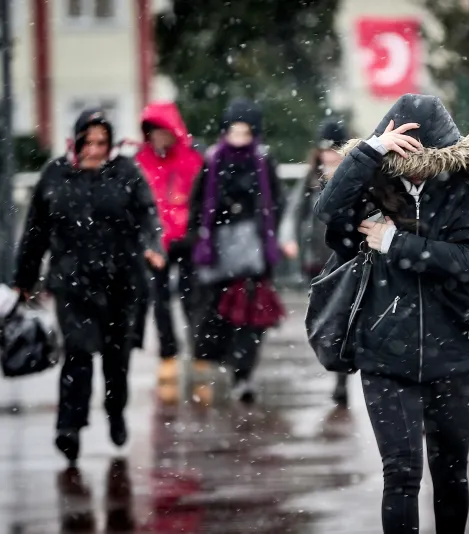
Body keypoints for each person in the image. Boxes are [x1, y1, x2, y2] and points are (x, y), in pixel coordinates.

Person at [315, 94, 469, 534]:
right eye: (406, 154)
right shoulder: (372, 186)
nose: (418, 166)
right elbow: (327, 211)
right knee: (401, 475)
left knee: (450, 474)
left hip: (456, 352)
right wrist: (370, 151)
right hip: (386, 352)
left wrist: (396, 244)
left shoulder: (465, 191)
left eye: (427, 157)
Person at [15, 109, 164, 463]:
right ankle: (69, 427)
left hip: (121, 281)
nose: (95, 149)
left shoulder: (126, 172)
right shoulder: (56, 174)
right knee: (78, 355)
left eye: (102, 142)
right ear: (77, 140)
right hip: (72, 282)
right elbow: (36, 230)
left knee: (116, 358)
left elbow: (148, 214)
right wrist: (24, 278)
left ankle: (115, 410)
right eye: (88, 141)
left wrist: (152, 247)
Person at [189, 98, 285, 405]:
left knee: (251, 316)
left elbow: (276, 203)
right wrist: (200, 238)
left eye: (245, 132)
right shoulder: (213, 160)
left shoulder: (262, 161)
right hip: (217, 253)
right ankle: (228, 364)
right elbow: (198, 203)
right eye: (234, 131)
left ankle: (243, 374)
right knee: (218, 315)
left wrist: (266, 236)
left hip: (254, 253)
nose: (239, 138)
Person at [279, 117, 351, 405]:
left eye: (334, 149)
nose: (329, 155)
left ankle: (341, 378)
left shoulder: (354, 176)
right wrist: (289, 239)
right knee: (325, 319)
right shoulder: (311, 180)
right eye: (325, 149)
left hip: (346, 257)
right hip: (318, 260)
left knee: (343, 317)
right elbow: (294, 212)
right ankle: (336, 366)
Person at [135, 101, 203, 403]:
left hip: (185, 241)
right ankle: (168, 354)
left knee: (193, 299)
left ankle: (199, 351)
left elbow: (200, 200)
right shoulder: (141, 161)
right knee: (159, 301)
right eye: (153, 132)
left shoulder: (191, 159)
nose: (158, 138)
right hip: (157, 244)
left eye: (162, 131)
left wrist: (192, 231)